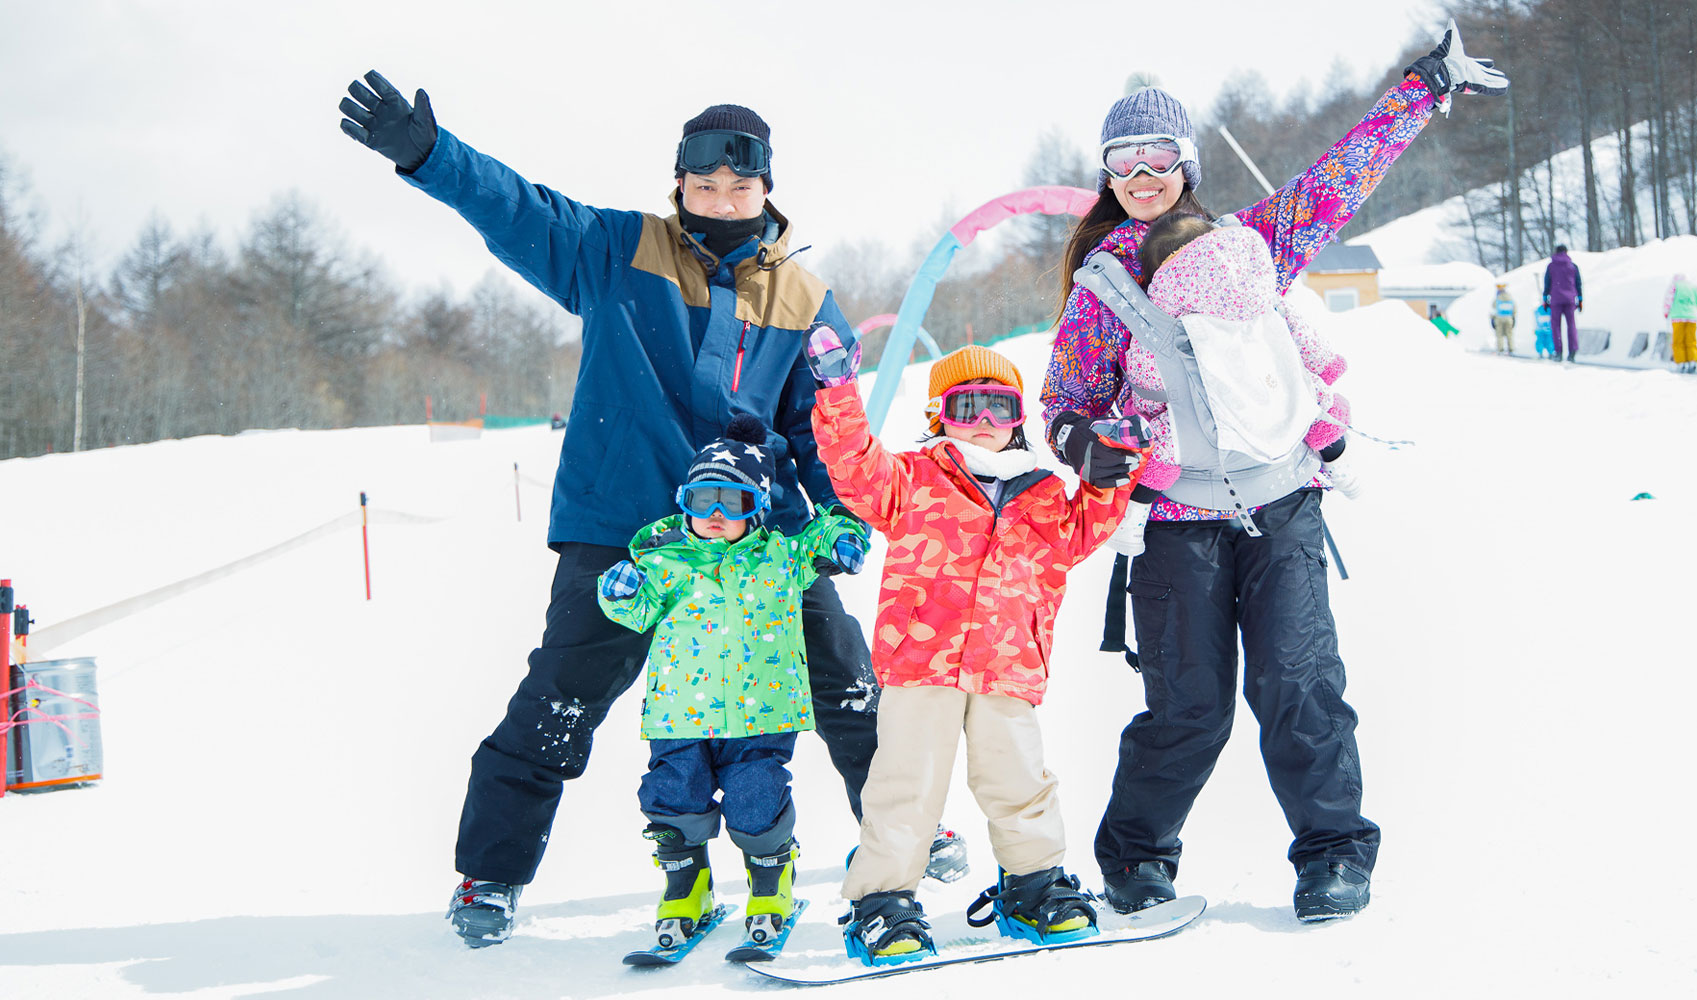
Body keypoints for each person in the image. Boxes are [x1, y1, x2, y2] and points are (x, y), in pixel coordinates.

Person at [335, 72, 904, 946]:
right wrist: (431, 157)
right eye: (704, 184)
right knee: (561, 695)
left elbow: (814, 421)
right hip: (625, 526)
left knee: (845, 681)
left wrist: (837, 516)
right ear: (679, 184)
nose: (720, 200)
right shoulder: (617, 251)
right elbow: (520, 210)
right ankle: (489, 875)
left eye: (738, 185)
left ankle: (904, 835)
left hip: (760, 542)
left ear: (767, 189)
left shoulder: (803, 297)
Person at [1040, 21, 1507, 923]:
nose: (1142, 178)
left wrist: (1424, 91)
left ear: (1187, 163)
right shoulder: (1100, 285)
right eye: (1123, 163)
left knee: (1299, 684)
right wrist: (1082, 445)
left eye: (1158, 157)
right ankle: (1137, 856)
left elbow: (1340, 180)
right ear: (1108, 174)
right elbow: (1065, 401)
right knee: (1190, 706)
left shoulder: (1255, 240)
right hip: (1176, 522)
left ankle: (1333, 854)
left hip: (1283, 501)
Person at [804, 338, 1146, 965]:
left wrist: (1112, 473)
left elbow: (1079, 538)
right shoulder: (910, 477)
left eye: (1000, 406)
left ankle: (1033, 887)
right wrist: (838, 393)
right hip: (920, 662)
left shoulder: (1044, 491)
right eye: (969, 407)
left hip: (1009, 663)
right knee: (906, 785)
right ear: (939, 414)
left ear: (1019, 416)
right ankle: (883, 903)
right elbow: (853, 465)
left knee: (1019, 780)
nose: (986, 423)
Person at [595, 416, 866, 950]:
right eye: (704, 500)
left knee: (756, 799)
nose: (716, 515)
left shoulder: (781, 560)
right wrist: (621, 591)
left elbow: (822, 534)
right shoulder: (663, 561)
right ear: (685, 503)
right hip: (678, 716)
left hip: (760, 715)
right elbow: (636, 611)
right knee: (674, 798)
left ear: (758, 508)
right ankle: (686, 887)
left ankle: (771, 883)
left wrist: (843, 536)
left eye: (733, 502)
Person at [1108, 213, 1352, 558]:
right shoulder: (1261, 292)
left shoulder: (1165, 325)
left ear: (1160, 275)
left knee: (1159, 449)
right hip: (1276, 395)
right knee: (1316, 405)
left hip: (1208, 420)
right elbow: (1298, 331)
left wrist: (1145, 410)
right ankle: (1340, 465)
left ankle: (1133, 519)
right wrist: (1325, 367)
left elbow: (1150, 375)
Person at [1661, 273, 1697, 374]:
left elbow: (1668, 300)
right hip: (1692, 317)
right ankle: (1693, 362)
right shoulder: (1693, 287)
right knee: (1691, 340)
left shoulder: (1674, 285)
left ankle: (1681, 363)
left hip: (1677, 317)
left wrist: (1666, 312)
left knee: (1678, 341)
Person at [1543, 245, 1583, 362]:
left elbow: (1547, 283)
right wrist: (1580, 300)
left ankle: (1558, 352)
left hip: (1555, 299)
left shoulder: (1551, 266)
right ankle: (1572, 351)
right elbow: (1578, 283)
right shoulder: (1572, 266)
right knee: (1571, 325)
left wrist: (1545, 299)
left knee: (1555, 326)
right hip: (1570, 299)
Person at [1490, 282, 1517, 354]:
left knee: (1499, 334)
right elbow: (1514, 309)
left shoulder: (1497, 298)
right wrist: (1513, 318)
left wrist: (1492, 318)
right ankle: (1511, 348)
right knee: (1509, 334)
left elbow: (1493, 308)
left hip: (1499, 318)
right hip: (1509, 318)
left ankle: (1500, 349)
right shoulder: (1510, 298)